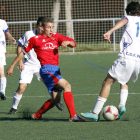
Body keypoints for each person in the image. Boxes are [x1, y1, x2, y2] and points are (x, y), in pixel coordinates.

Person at [7, 17, 85, 122]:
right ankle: (73, 116)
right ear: (42, 28)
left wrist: (67, 42)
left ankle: (37, 115)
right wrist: (12, 65)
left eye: (52, 27)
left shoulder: (56, 36)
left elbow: (74, 43)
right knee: (67, 85)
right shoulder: (34, 40)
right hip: (46, 70)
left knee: (56, 99)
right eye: (49, 27)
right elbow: (22, 52)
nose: (51, 30)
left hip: (56, 70)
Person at [81, 1, 140, 121]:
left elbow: (124, 21)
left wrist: (110, 31)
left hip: (126, 57)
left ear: (129, 12)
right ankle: (121, 105)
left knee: (107, 82)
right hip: (137, 60)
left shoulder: (129, 17)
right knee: (124, 80)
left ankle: (95, 112)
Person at [8, 17, 64, 114]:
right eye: (41, 26)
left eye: (44, 27)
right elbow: (20, 46)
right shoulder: (29, 34)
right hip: (28, 65)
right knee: (21, 87)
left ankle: (56, 100)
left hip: (42, 66)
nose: (43, 29)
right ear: (38, 26)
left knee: (51, 86)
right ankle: (14, 108)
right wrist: (20, 61)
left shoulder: (50, 36)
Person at [0, 19, 16, 100]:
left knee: (1, 72)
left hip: (0, 50)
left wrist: (11, 38)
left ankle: (2, 92)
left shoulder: (2, 22)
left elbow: (7, 33)